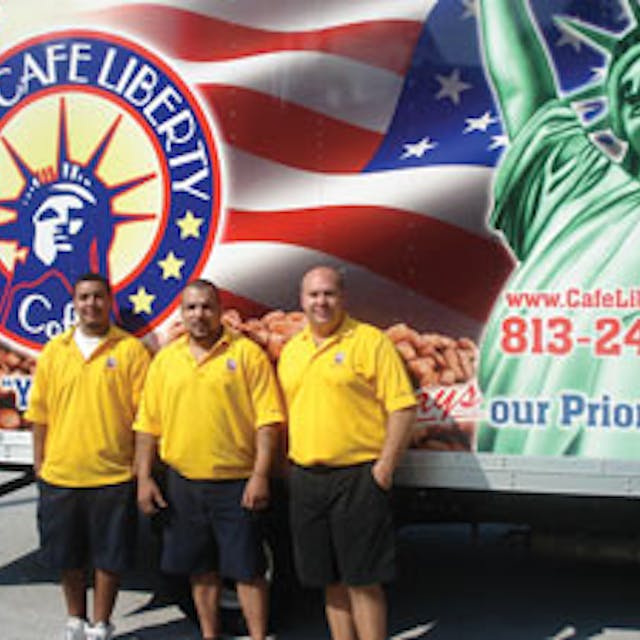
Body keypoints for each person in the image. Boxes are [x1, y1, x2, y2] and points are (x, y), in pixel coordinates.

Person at [476, 0, 640, 457]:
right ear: (621, 118)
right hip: (536, 454)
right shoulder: (575, 189)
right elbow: (521, 91)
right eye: (632, 93)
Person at [134, 279, 283, 640]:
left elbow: (268, 420)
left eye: (206, 307)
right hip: (183, 483)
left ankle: (258, 636)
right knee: (199, 570)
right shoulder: (166, 360)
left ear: (219, 312)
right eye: (191, 308)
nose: (198, 315)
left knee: (248, 570)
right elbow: (146, 425)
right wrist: (144, 477)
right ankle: (209, 634)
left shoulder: (246, 354)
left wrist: (260, 475)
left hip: (236, 483)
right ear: (182, 314)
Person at [277, 265, 417, 640]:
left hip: (358, 478)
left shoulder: (370, 342)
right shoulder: (292, 351)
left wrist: (385, 467)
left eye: (329, 294)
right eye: (313, 295)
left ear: (343, 298)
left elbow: (403, 406)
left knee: (364, 580)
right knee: (328, 580)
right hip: (307, 478)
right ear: (301, 300)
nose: (321, 302)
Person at [25, 273, 151, 640]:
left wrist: (138, 469)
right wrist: (40, 464)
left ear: (109, 302)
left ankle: (101, 624)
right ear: (74, 304)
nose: (91, 304)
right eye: (83, 298)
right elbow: (39, 415)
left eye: (98, 297)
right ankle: (75, 620)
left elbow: (144, 417)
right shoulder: (55, 350)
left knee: (110, 558)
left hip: (111, 475)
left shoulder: (129, 351)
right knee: (67, 557)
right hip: (61, 474)